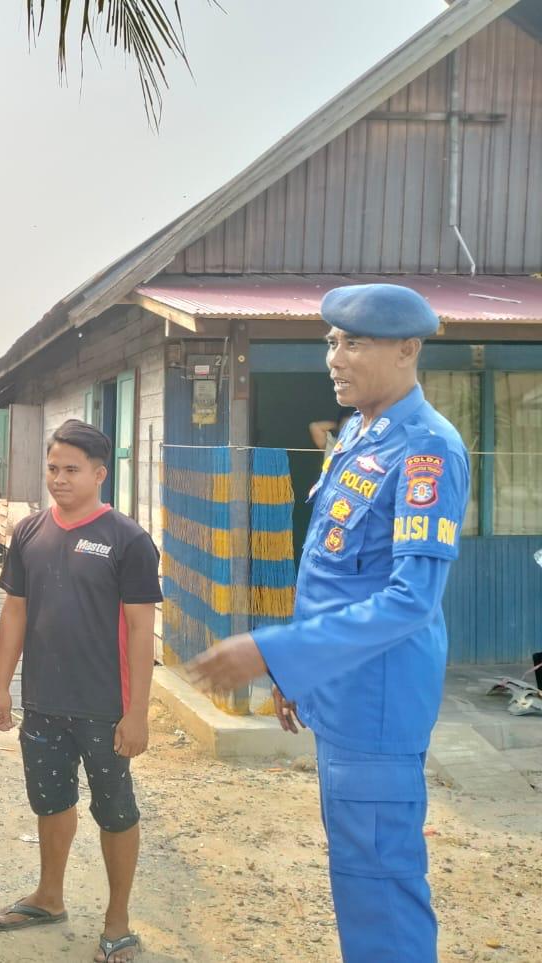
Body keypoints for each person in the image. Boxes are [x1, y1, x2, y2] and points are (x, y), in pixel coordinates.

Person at [188, 283, 469, 963]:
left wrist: (273, 649)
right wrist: (297, 673)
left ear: (407, 350)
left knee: (380, 889)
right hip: (344, 694)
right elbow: (337, 572)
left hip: (377, 703)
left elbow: (408, 599)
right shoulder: (361, 434)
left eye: (354, 343)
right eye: (332, 342)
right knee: (358, 878)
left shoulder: (427, 449)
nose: (334, 358)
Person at [0, 419, 162, 963]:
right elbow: (14, 611)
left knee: (115, 810)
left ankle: (117, 922)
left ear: (99, 474)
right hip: (44, 701)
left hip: (103, 707)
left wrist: (136, 714)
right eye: (53, 469)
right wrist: (1, 688)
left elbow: (138, 630)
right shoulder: (30, 532)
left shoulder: (128, 540)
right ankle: (49, 895)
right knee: (52, 801)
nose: (59, 479)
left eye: (71, 470)